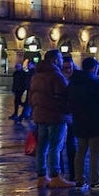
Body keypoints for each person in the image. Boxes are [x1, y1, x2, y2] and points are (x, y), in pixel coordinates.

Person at [29, 50, 73, 188]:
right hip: (56, 116)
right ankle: (55, 176)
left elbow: (32, 96)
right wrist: (68, 111)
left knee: (42, 147)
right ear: (55, 60)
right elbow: (65, 97)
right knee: (55, 147)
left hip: (40, 116)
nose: (61, 62)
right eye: (60, 59)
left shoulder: (37, 75)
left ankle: (42, 177)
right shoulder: (56, 76)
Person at [68, 57, 99, 190]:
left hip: (78, 120)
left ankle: (79, 180)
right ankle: (95, 180)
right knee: (95, 152)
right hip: (95, 121)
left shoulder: (73, 83)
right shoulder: (95, 83)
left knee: (80, 151)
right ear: (94, 68)